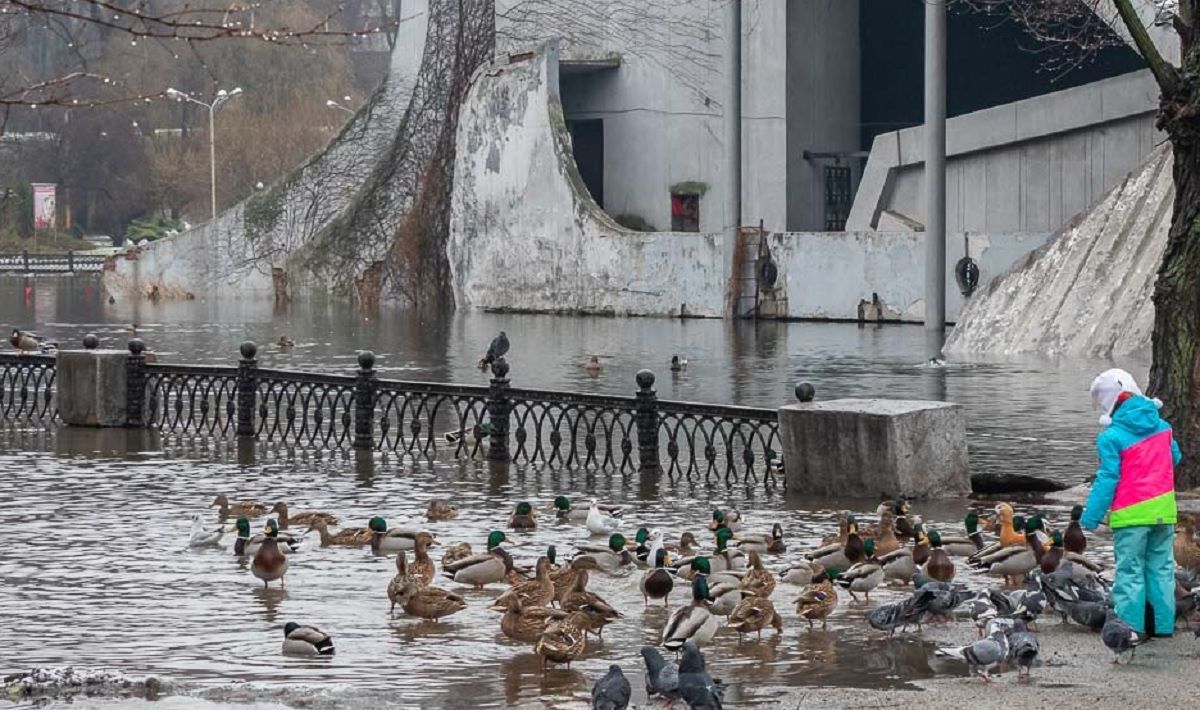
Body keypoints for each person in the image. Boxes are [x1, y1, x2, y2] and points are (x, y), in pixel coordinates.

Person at [1081, 368, 1180, 637]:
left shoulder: (1111, 437)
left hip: (1131, 515)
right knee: (1162, 569)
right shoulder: (1164, 427)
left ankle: (1130, 630)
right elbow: (1175, 458)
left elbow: (1107, 479)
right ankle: (1162, 627)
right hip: (1164, 511)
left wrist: (1091, 517)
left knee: (1130, 572)